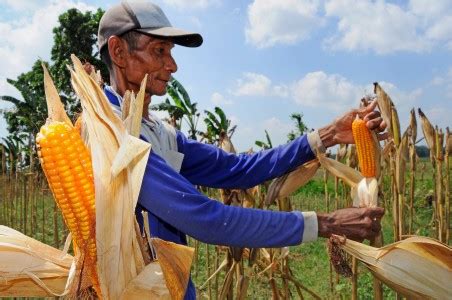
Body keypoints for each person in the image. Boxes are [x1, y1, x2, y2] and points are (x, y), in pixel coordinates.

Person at [97, 1, 386, 298]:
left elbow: (237, 169)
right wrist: (326, 224)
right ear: (119, 51)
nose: (173, 65)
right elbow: (204, 218)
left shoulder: (158, 131)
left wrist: (328, 135)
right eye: (159, 51)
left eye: (170, 52)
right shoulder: (108, 130)